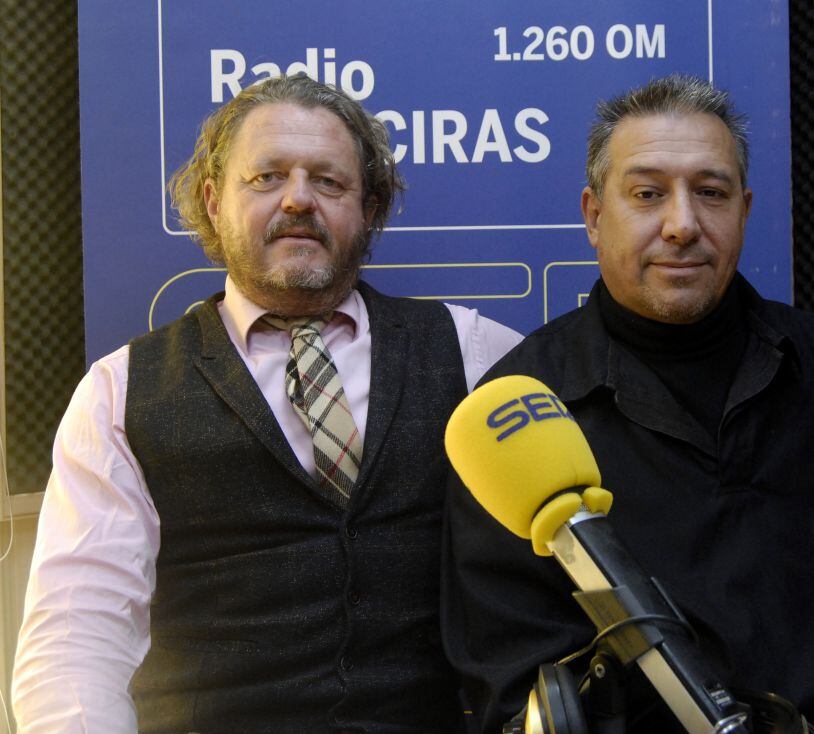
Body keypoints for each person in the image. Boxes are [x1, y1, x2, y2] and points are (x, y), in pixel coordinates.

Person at [441, 75, 814, 734]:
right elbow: (517, 677)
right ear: (593, 215)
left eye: (711, 193)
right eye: (647, 194)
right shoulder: (516, 415)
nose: (683, 224)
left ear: (744, 210)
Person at [13, 74, 521, 733]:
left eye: (329, 182)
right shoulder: (119, 392)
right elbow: (77, 637)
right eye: (267, 178)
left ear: (369, 209)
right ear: (212, 201)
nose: (299, 201)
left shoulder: (477, 353)